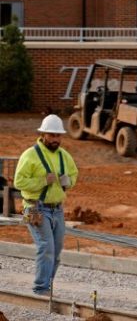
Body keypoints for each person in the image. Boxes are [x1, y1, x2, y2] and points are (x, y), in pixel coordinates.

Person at [14, 114, 78, 296]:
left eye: (58, 136)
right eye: (52, 135)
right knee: (46, 248)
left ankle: (47, 287)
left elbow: (74, 174)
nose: (55, 139)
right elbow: (19, 182)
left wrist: (69, 182)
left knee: (56, 252)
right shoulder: (30, 155)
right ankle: (41, 289)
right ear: (43, 135)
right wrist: (42, 181)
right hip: (36, 208)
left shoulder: (64, 156)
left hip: (57, 209)